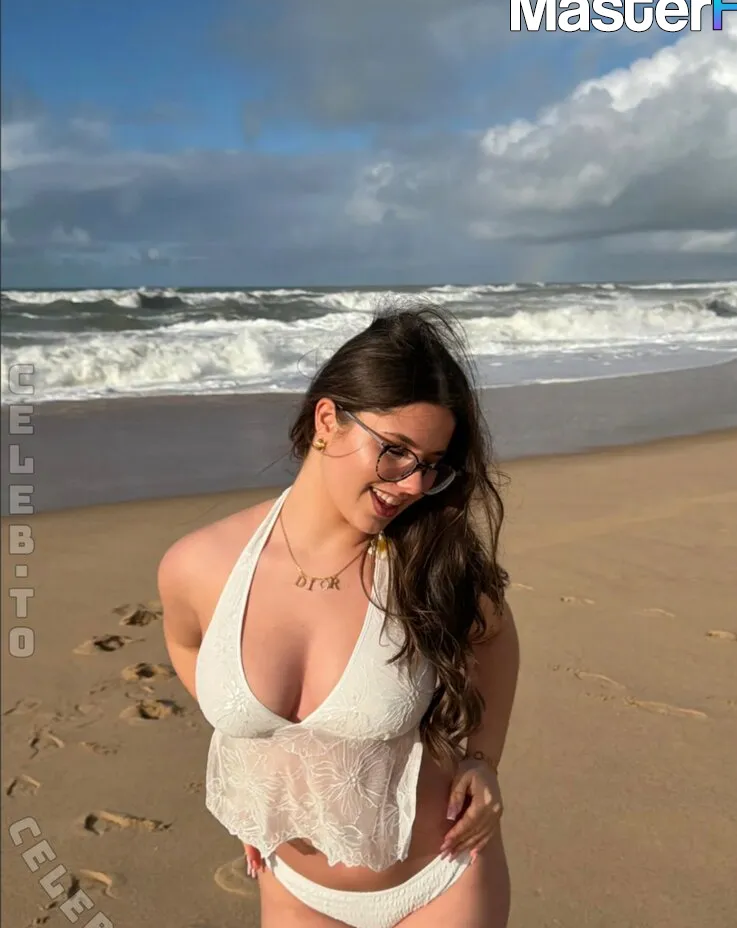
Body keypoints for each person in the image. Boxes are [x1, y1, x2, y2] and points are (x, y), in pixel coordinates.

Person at [158, 304, 520, 927]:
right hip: (293, 890)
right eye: (397, 451)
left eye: (432, 464)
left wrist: (483, 761)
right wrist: (260, 785)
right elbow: (187, 646)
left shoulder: (428, 561)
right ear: (328, 420)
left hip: (441, 879)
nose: (413, 484)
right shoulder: (199, 565)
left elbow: (496, 638)